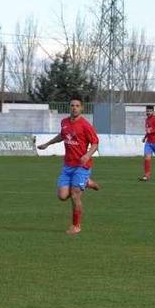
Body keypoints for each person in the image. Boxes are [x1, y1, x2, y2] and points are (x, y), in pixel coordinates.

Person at [36, 98, 101, 234]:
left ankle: (76, 226)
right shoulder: (64, 122)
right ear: (69, 107)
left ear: (81, 108)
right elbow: (62, 135)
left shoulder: (85, 125)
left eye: (77, 106)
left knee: (75, 195)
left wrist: (87, 155)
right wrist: (48, 144)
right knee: (62, 195)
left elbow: (95, 143)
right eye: (72, 105)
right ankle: (87, 182)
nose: (74, 108)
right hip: (68, 165)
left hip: (82, 166)